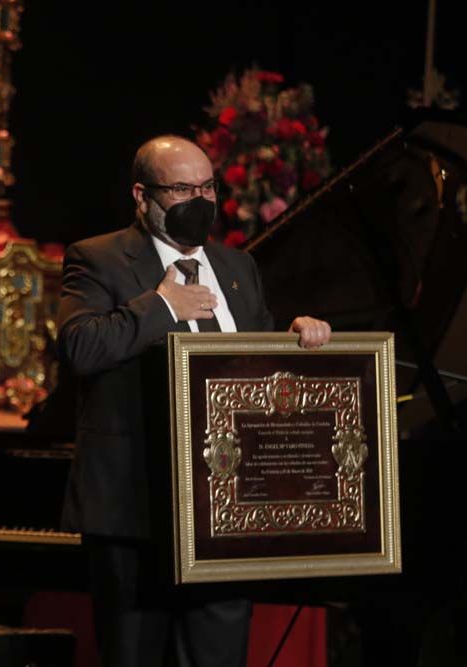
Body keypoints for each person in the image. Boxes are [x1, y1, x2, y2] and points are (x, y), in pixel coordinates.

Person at [56, 135, 331, 667]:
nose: (199, 200)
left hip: (223, 516)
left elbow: (257, 379)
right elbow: (79, 348)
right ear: (142, 197)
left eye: (207, 186)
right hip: (135, 514)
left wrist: (297, 341)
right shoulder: (98, 258)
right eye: (182, 188)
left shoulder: (238, 267)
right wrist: (162, 305)